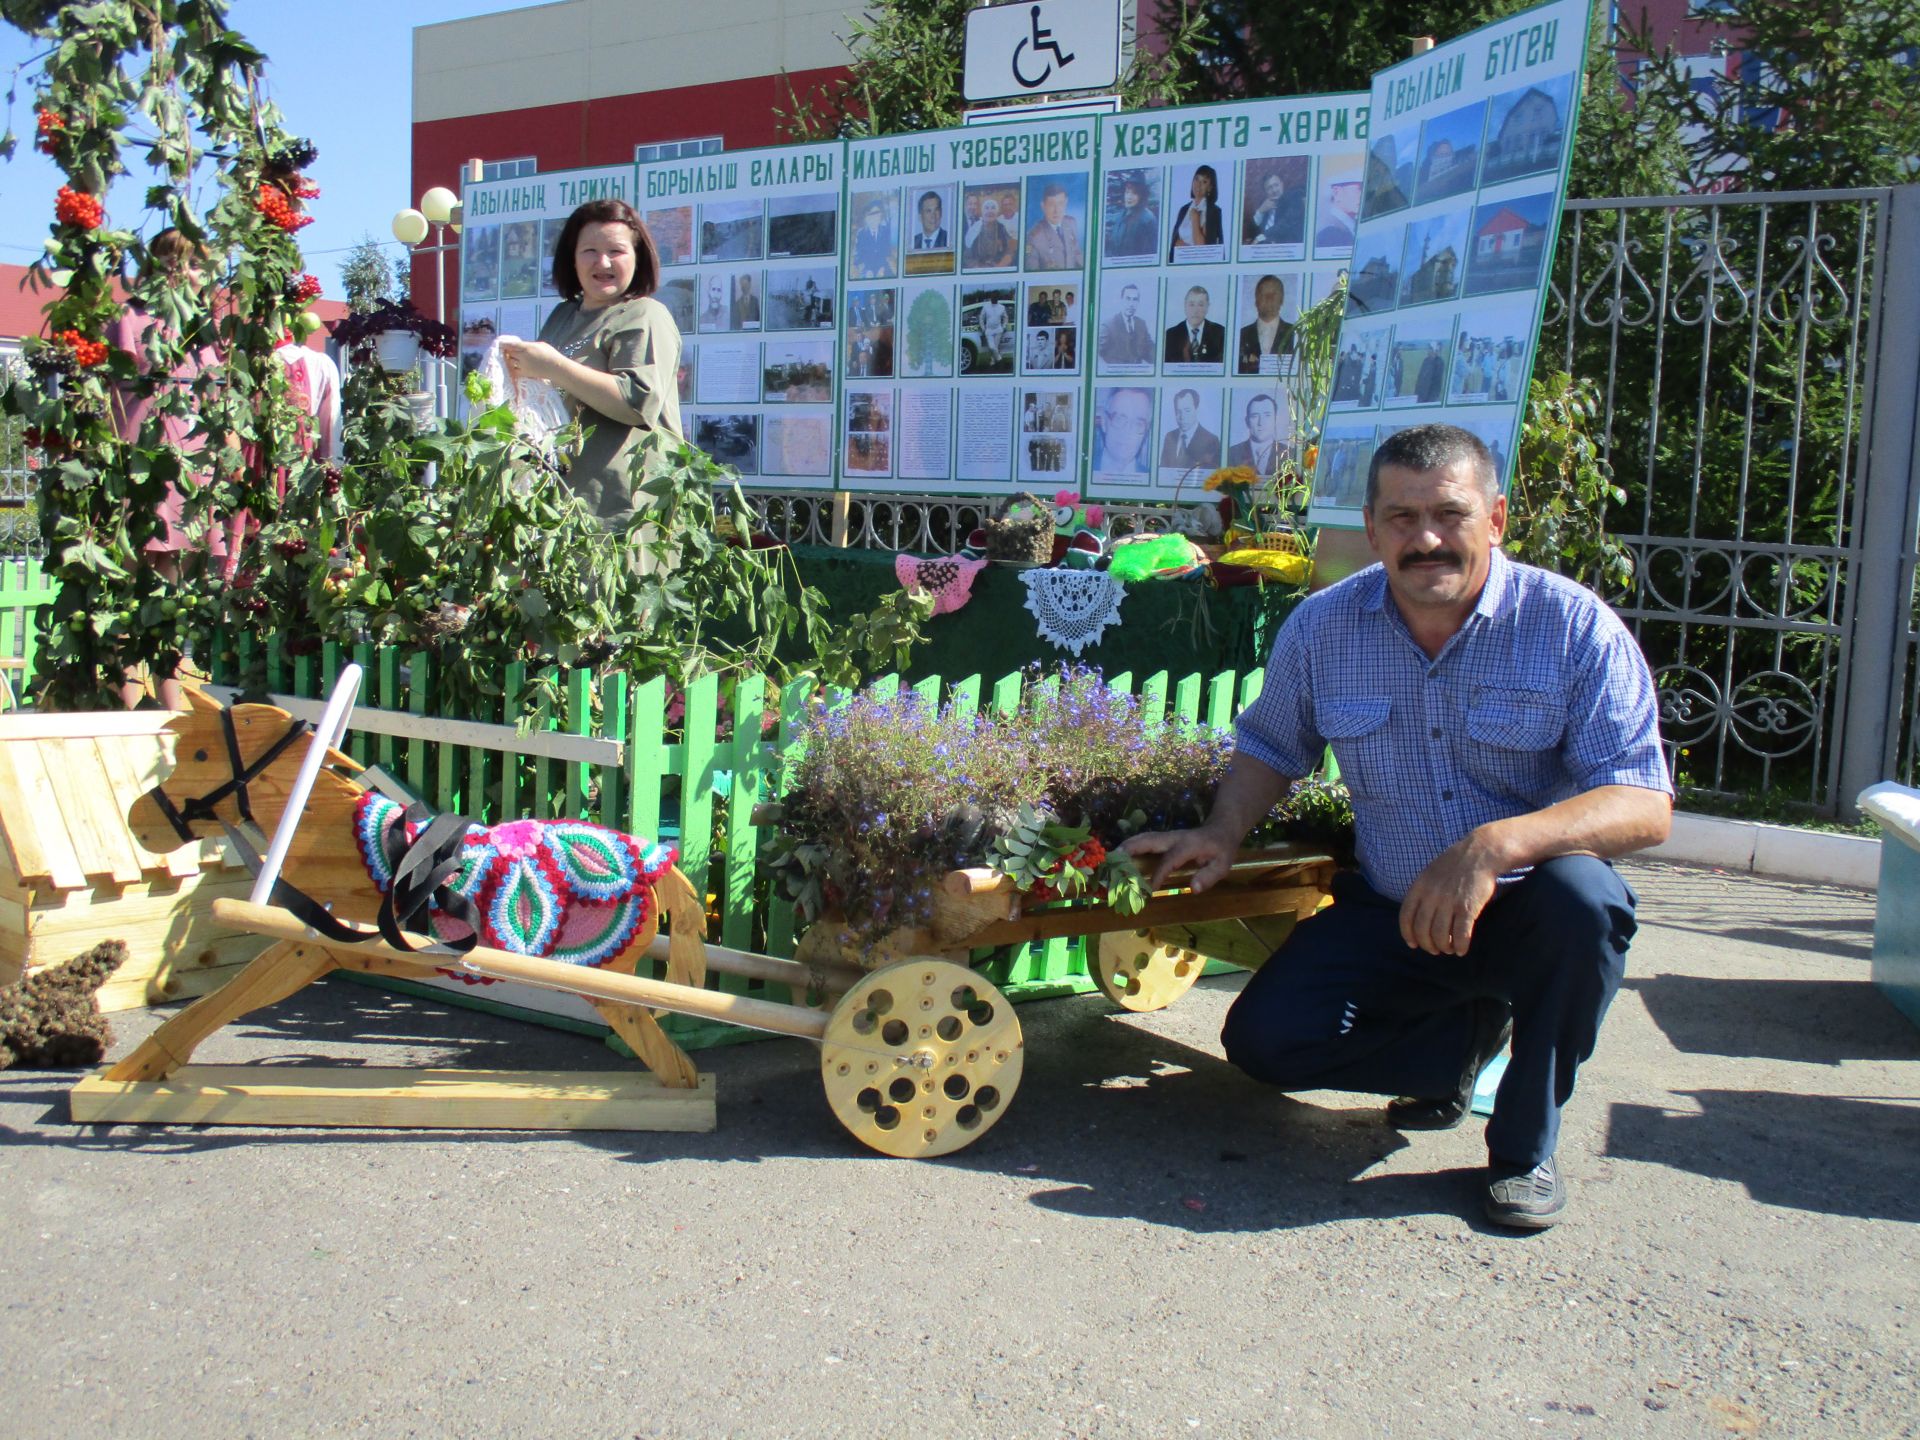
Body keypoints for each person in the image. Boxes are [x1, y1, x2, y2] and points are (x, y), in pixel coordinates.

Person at [1122, 423, 1672, 1229]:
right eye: (1402, 518)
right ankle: (1458, 1046)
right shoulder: (1324, 627)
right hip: (1396, 914)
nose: (1426, 539)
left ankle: (1524, 1151)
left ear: (1496, 519)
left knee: (1585, 902)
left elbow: (1642, 801)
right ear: (1373, 528)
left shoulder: (1571, 628)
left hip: (1529, 913)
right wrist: (1224, 832)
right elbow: (1272, 747)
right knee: (1265, 1044)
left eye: (1448, 514)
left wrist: (1494, 846)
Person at [502, 199, 683, 529]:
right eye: (589, 251)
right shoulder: (562, 316)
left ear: (637, 258)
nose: (603, 262)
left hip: (624, 513)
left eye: (616, 251)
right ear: (572, 258)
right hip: (564, 505)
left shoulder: (644, 315)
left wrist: (554, 366)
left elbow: (638, 402)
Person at [106, 227, 220, 710]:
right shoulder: (131, 318)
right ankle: (128, 694)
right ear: (161, 265)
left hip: (184, 466)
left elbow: (214, 394)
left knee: (171, 582)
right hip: (139, 462)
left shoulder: (198, 326)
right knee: (130, 577)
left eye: (199, 266)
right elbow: (115, 391)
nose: (192, 274)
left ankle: (170, 695)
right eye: (184, 263)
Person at [1236, 274, 1295, 376]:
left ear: (1281, 299)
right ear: (1256, 300)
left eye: (1273, 295)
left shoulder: (1294, 334)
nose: (1269, 299)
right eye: (1264, 294)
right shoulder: (1241, 335)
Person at [1091, 387, 1152, 475]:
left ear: (1146, 431)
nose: (1127, 432)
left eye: (1138, 424)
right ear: (1104, 422)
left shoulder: (1152, 478)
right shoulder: (1081, 470)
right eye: (1119, 419)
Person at [1168, 164, 1223, 260]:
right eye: (1196, 179)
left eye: (1204, 182)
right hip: (1178, 266)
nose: (1198, 185)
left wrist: (1195, 219)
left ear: (1210, 188)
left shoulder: (1214, 212)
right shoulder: (1184, 209)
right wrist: (1189, 247)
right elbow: (1175, 244)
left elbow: (1202, 249)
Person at [1158, 388, 1221, 471]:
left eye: (1187, 411)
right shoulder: (1169, 436)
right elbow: (1163, 470)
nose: (1182, 417)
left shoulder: (1211, 440)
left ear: (1197, 410)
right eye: (1178, 411)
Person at [1025, 181, 1083, 270]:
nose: (1057, 210)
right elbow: (1032, 273)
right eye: (1051, 205)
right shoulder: (1033, 238)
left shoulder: (1071, 223)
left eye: (1060, 203)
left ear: (1066, 202)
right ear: (1043, 206)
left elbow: (1077, 254)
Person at [1225, 393, 1283, 478]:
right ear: (1247, 421)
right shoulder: (1231, 454)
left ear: (1275, 419)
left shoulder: (1290, 454)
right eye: (1255, 416)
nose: (1261, 422)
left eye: (1267, 415)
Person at [1163, 285, 1225, 365]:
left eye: (1201, 305)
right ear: (1185, 306)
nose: (1195, 310)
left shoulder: (1220, 333)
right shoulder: (1170, 335)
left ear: (1207, 307)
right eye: (1191, 304)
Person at [1098, 282, 1154, 366]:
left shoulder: (1141, 324)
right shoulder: (1108, 325)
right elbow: (1096, 354)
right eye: (1128, 299)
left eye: (1135, 300)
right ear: (1121, 300)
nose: (1131, 304)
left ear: (1138, 302)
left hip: (1137, 376)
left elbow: (1150, 351)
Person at [1105, 174, 1159, 260]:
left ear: (1142, 196)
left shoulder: (1148, 219)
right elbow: (1112, 247)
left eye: (1134, 193)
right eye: (1127, 192)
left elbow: (1150, 253)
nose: (1129, 197)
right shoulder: (1120, 216)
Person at [1245, 168, 1302, 247]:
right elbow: (1250, 232)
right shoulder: (1264, 204)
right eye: (1269, 188)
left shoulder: (1293, 198)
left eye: (1276, 185)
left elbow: (1286, 223)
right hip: (1262, 250)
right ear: (1265, 192)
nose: (1274, 190)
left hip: (1285, 248)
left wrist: (1261, 237)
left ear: (1282, 184)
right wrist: (1260, 211)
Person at [965, 196, 1017, 269]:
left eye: (993, 208)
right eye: (986, 208)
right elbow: (967, 257)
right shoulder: (975, 229)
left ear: (997, 211)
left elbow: (1010, 252)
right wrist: (979, 269)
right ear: (982, 211)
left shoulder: (1002, 228)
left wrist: (998, 267)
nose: (990, 211)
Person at [851, 199, 896, 279]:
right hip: (867, 269)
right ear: (866, 217)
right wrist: (867, 270)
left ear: (881, 215)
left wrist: (882, 268)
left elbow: (888, 252)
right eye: (870, 215)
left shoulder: (886, 231)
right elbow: (859, 256)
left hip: (884, 268)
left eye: (877, 214)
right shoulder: (861, 234)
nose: (874, 218)